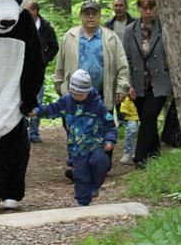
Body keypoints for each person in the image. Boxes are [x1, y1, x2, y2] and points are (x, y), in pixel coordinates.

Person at [29, 69, 116, 206]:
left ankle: (95, 185)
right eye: (74, 93)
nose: (77, 96)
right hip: (76, 148)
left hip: (96, 144)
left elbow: (109, 124)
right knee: (80, 175)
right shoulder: (67, 101)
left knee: (100, 162)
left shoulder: (97, 105)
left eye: (80, 94)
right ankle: (82, 202)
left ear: (88, 91)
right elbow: (53, 109)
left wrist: (109, 139)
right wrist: (37, 111)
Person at [121, 0, 172, 168]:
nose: (148, 11)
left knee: (149, 116)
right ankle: (155, 153)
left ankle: (140, 157)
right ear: (139, 9)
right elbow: (125, 59)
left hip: (160, 83)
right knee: (146, 119)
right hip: (138, 84)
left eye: (151, 7)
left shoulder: (165, 28)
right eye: (145, 7)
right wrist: (128, 85)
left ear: (156, 8)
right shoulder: (130, 30)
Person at [54, 0, 130, 114]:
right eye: (86, 13)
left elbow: (122, 65)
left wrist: (122, 87)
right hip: (74, 93)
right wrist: (59, 84)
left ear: (99, 16)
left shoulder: (111, 38)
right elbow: (60, 64)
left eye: (94, 13)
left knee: (102, 128)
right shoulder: (70, 36)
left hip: (103, 93)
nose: (90, 17)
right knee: (75, 129)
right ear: (81, 15)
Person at [25, 0, 59, 143]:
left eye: (27, 10)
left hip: (38, 70)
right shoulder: (20, 25)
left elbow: (54, 46)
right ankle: (20, 131)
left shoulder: (46, 28)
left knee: (37, 100)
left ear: (35, 11)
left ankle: (33, 132)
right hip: (21, 70)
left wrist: (45, 59)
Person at [117, 95, 139, 165]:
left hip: (135, 114)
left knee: (133, 130)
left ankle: (131, 152)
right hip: (128, 115)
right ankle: (127, 152)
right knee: (131, 130)